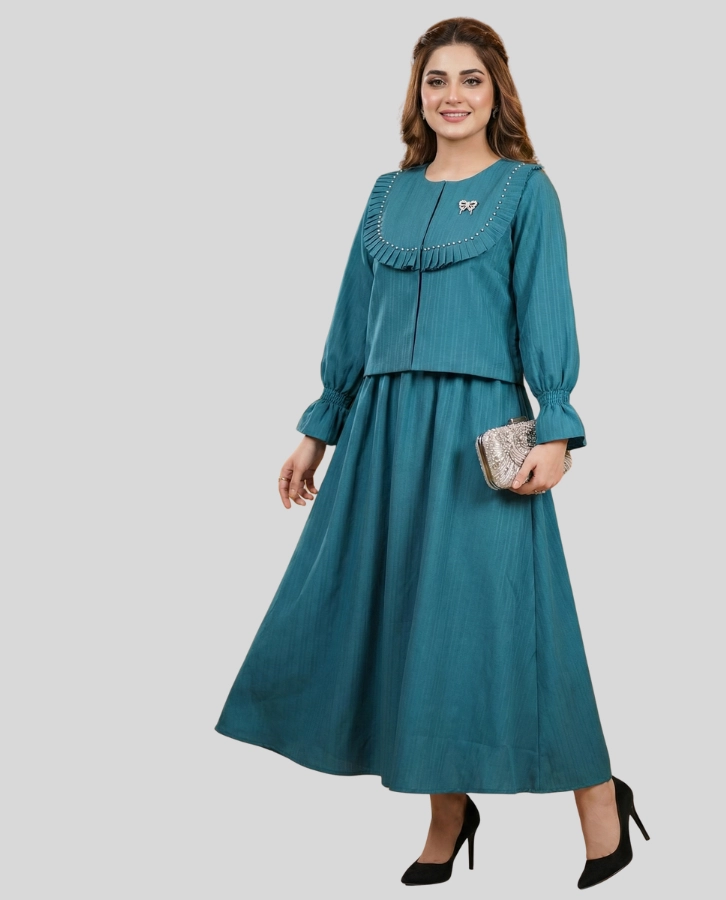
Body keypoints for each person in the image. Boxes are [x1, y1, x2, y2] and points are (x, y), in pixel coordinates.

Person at [214, 17, 649, 890]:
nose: (453, 95)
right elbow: (351, 319)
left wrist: (558, 425)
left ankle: (599, 795)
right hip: (381, 435)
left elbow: (548, 310)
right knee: (399, 620)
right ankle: (447, 812)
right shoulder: (387, 194)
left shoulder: (526, 191)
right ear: (417, 95)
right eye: (436, 80)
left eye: (470, 79)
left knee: (508, 624)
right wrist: (319, 426)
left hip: (477, 437)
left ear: (497, 92)